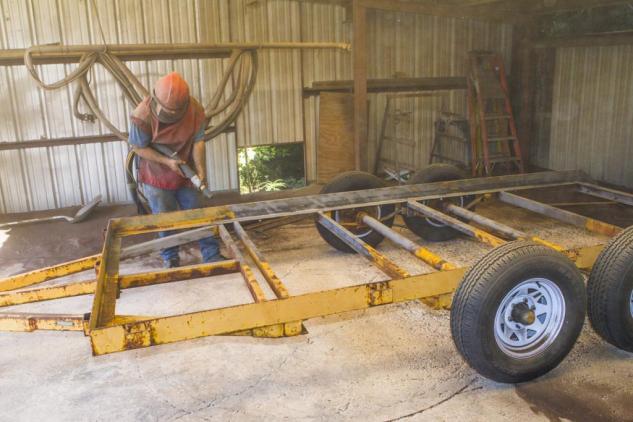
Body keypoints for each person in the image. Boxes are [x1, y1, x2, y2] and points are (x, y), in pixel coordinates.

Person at [128, 72, 221, 268]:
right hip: (157, 176)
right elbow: (138, 147)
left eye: (175, 112)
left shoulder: (194, 109)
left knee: (198, 213)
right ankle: (170, 258)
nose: (171, 115)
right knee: (165, 219)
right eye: (168, 111)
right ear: (156, 100)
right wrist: (166, 161)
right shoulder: (142, 115)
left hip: (186, 173)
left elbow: (198, 141)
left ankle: (211, 255)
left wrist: (200, 171)